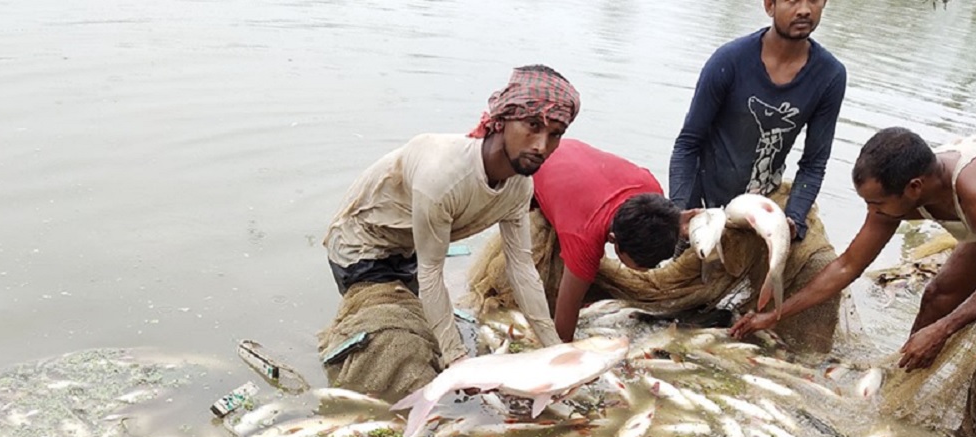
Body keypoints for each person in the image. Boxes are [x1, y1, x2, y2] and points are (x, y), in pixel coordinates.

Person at [322, 65, 580, 367]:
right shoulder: (444, 176)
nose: (541, 146)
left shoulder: (520, 186)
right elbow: (432, 272)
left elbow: (522, 268)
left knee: (424, 323)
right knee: (398, 346)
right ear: (502, 121)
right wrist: (455, 356)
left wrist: (554, 348)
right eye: (533, 125)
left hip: (408, 246)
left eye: (555, 134)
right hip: (360, 245)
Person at [730, 127, 976, 370]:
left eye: (875, 202)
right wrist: (775, 314)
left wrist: (942, 330)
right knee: (938, 294)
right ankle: (904, 374)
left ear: (914, 189)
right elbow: (848, 266)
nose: (872, 209)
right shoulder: (906, 186)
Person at [669, 0, 846, 248]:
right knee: (685, 269)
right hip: (703, 203)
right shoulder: (729, 60)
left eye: (814, 0)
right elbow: (687, 144)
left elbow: (813, 163)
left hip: (761, 203)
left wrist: (794, 217)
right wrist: (680, 210)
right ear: (769, 6)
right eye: (793, 0)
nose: (805, 9)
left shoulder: (830, 75)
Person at [531, 139, 688, 341]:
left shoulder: (652, 190)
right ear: (613, 240)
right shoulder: (583, 237)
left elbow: (665, 220)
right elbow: (564, 324)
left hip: (570, 152)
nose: (650, 269)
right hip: (535, 163)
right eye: (640, 264)